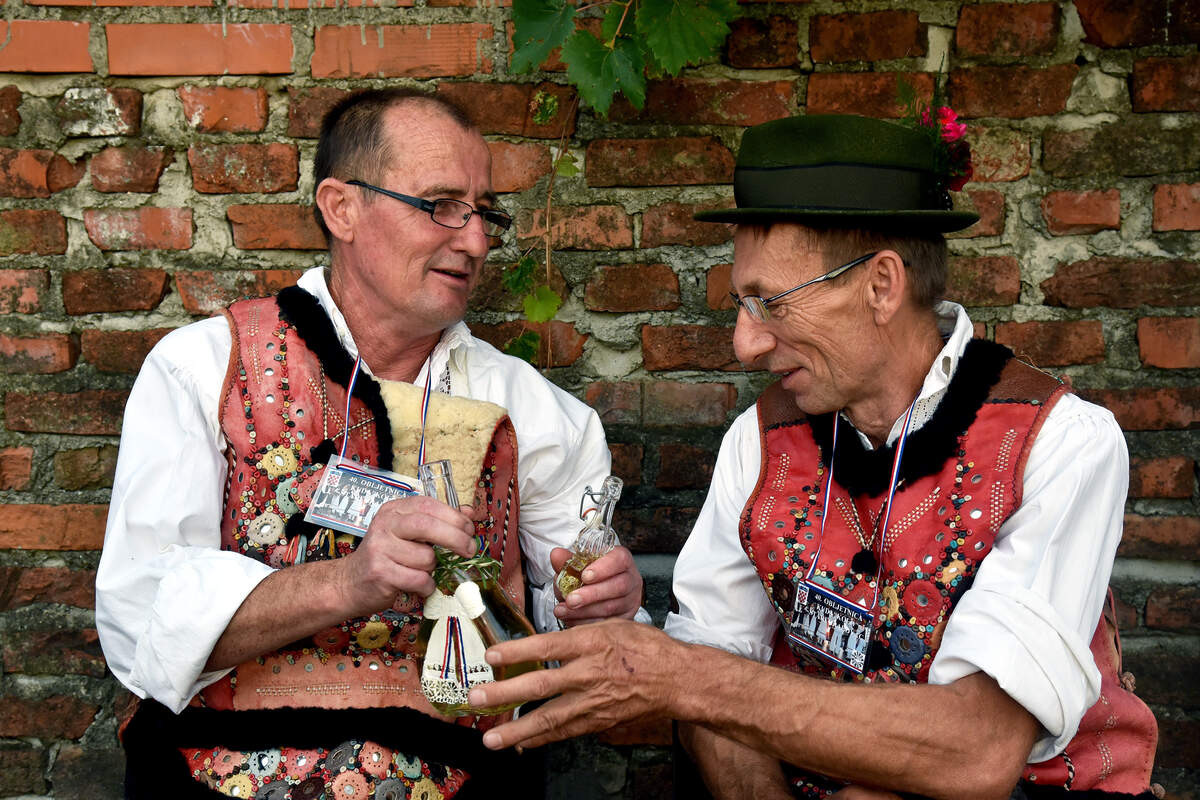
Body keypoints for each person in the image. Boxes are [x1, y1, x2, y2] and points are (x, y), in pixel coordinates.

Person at [464, 114, 1159, 799]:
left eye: (771, 303)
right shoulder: (760, 440)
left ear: (881, 285)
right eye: (742, 304)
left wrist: (682, 677)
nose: (745, 345)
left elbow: (976, 750)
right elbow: (711, 682)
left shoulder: (1058, 445)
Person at [95, 88, 645, 799]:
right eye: (440, 205)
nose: (475, 241)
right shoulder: (202, 368)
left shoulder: (537, 414)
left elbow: (581, 658)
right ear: (341, 208)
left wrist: (603, 610)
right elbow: (139, 621)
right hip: (219, 770)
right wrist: (348, 582)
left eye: (484, 213)